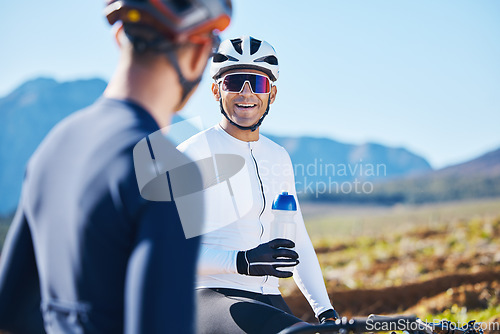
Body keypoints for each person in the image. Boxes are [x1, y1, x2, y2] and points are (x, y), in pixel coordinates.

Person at [0, 1, 231, 333]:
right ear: (197, 54)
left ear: (120, 35)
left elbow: (10, 311)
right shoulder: (167, 170)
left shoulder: (54, 145)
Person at [177, 35, 340, 334]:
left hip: (268, 296)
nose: (246, 93)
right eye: (234, 82)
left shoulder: (278, 157)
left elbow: (298, 239)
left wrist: (325, 310)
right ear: (216, 90)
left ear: (272, 94)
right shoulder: (192, 153)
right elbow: (172, 251)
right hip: (209, 295)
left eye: (258, 83)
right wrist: (242, 261)